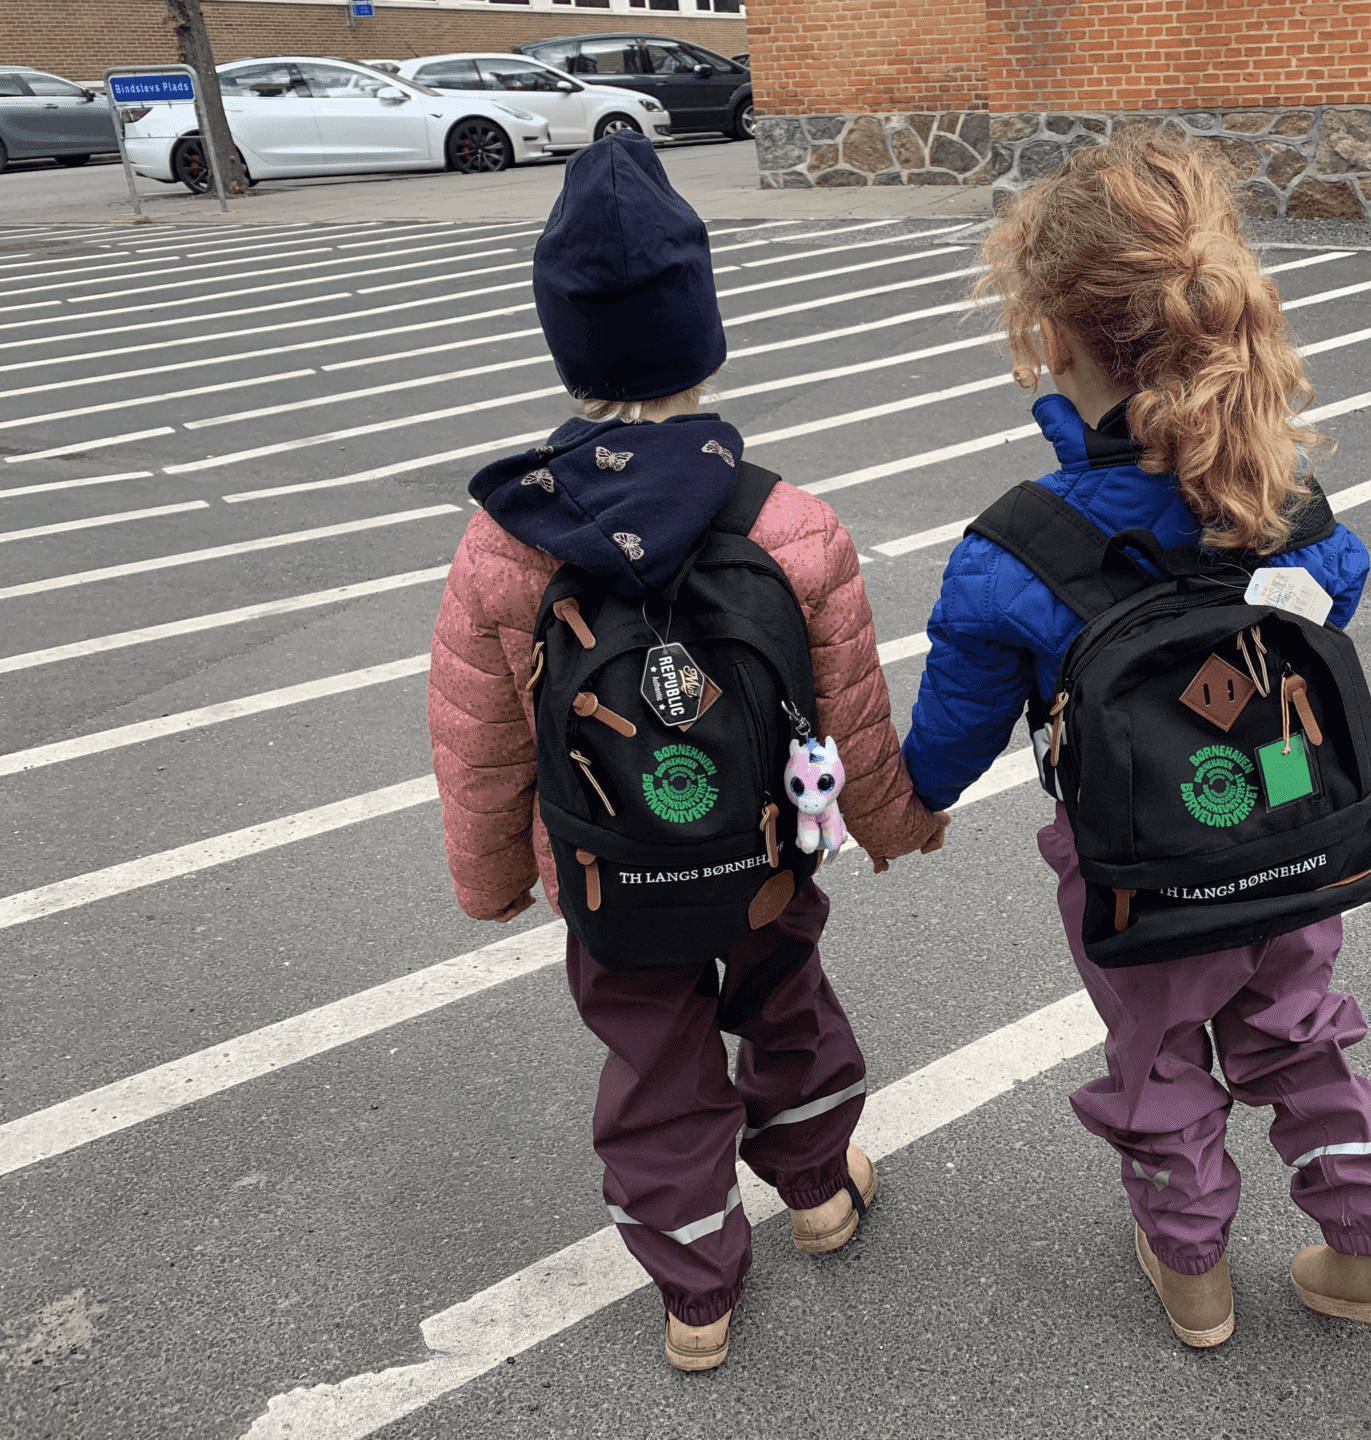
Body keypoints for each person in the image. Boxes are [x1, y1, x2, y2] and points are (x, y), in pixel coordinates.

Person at [427, 132, 947, 1373]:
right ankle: (818, 1191)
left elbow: (482, 741)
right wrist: (895, 823)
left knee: (654, 1062)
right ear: (704, 343)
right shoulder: (788, 523)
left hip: (606, 877)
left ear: (567, 349)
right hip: (762, 859)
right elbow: (850, 709)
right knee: (786, 1005)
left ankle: (697, 1296)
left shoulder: (507, 543)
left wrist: (491, 879)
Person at [900, 134, 1371, 1347]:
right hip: (1297, 835)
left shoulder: (1016, 547)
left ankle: (1193, 1270)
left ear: (1052, 336)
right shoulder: (1280, 500)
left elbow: (947, 746)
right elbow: (1336, 599)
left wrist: (899, 811)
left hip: (1139, 875)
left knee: (1158, 1057)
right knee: (1301, 1031)